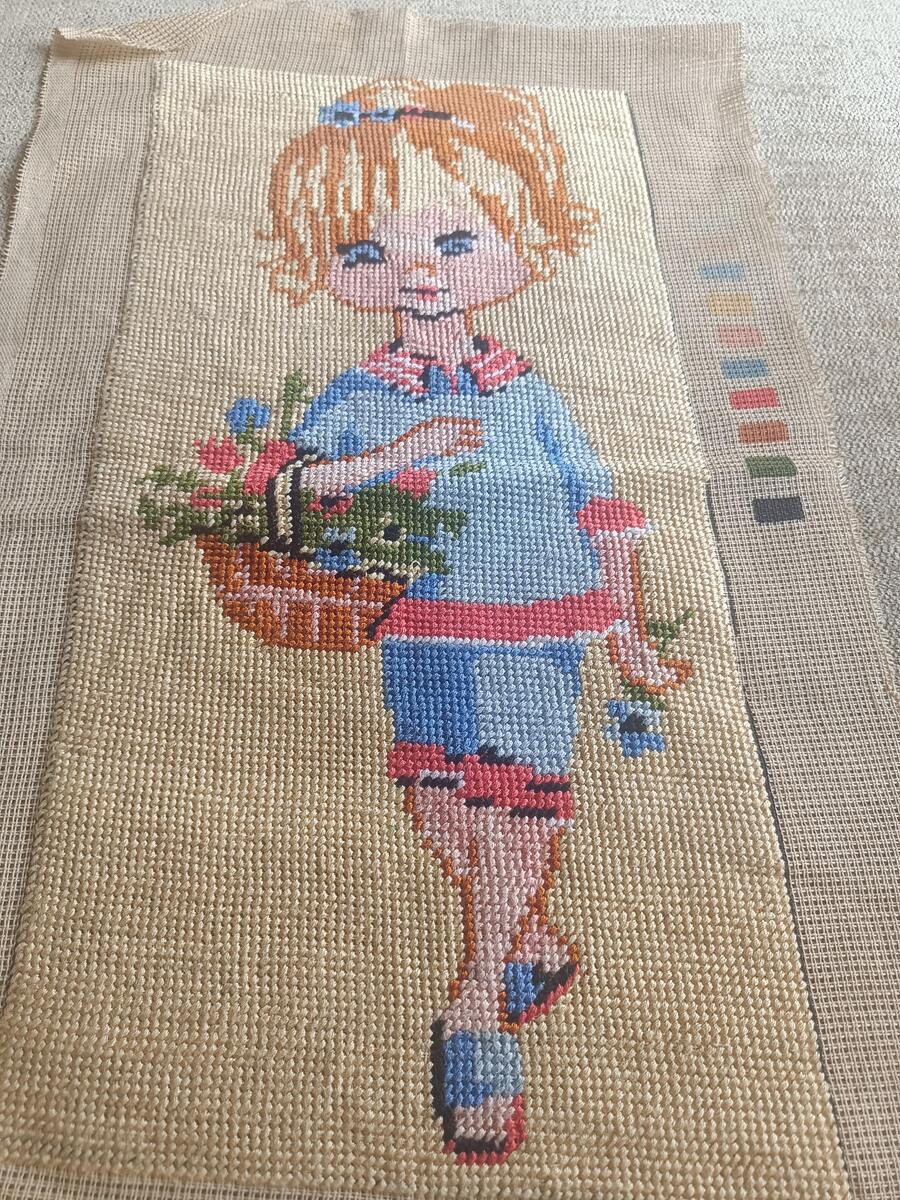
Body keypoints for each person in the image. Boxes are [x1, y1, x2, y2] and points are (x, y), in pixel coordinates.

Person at [260, 81, 689, 1164]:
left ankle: (477, 1007)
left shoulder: (525, 388)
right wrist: (392, 456)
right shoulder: (363, 392)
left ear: (520, 242)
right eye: (369, 252)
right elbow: (286, 492)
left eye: (456, 241)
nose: (419, 274)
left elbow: (601, 500)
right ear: (329, 269)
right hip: (418, 621)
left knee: (508, 799)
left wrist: (629, 627)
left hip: (535, 618)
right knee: (438, 796)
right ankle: (528, 939)